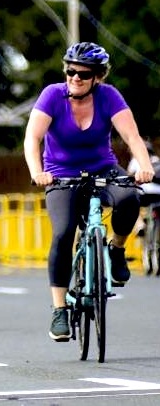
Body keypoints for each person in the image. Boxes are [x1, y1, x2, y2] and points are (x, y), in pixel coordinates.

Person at [23, 42, 154, 342]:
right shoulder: (52, 95)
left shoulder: (109, 97)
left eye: (83, 74)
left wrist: (144, 167)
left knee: (130, 197)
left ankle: (117, 249)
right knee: (63, 232)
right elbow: (32, 138)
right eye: (70, 71)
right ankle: (59, 310)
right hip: (59, 174)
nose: (75, 78)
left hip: (103, 168)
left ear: (97, 77)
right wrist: (36, 172)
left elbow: (132, 136)